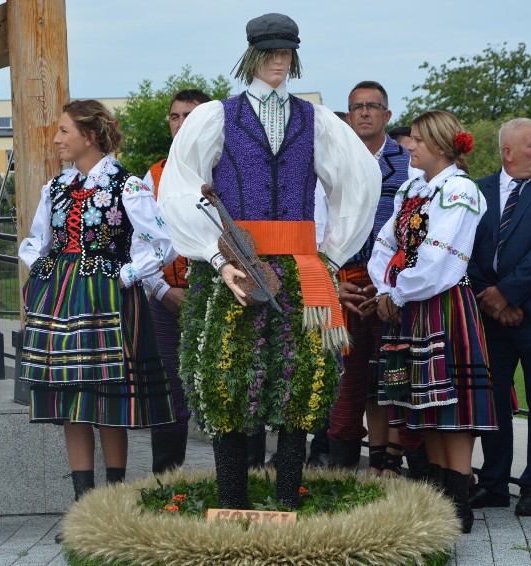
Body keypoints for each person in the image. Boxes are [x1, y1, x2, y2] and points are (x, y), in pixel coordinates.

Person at [158, 12, 380, 509]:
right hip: (237, 265)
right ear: (253, 55)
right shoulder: (216, 116)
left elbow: (359, 183)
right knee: (223, 377)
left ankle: (289, 498)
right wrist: (216, 258)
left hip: (303, 268)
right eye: (271, 52)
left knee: (301, 382)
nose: (280, 61)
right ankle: (232, 500)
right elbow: (178, 188)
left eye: (287, 52)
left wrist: (330, 254)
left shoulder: (317, 119)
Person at [18, 100, 176, 535]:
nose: (57, 139)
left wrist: (126, 274)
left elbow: (161, 243)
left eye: (65, 131)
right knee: (73, 400)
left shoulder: (127, 185)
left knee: (109, 400)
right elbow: (35, 241)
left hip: (108, 299)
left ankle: (114, 504)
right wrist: (43, 270)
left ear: (89, 136)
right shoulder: (56, 187)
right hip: (62, 298)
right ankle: (82, 507)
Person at [369, 110, 496, 533]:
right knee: (426, 404)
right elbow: (385, 242)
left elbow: (442, 258)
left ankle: (459, 500)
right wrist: (386, 289)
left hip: (442, 304)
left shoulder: (459, 191)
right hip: (410, 303)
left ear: (442, 146)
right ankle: (440, 494)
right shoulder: (412, 189)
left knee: (452, 403)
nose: (411, 145)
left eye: (419, 139)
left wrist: (399, 290)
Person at [466, 118, 531, 517]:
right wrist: (491, 300)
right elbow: (467, 248)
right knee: (491, 401)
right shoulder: (478, 190)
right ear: (508, 152)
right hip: (491, 317)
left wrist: (506, 294)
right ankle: (494, 483)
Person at [328, 80, 415, 476]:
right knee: (347, 382)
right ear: (348, 116)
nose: (363, 112)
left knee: (394, 377)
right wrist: (331, 280)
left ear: (387, 115)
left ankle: (393, 466)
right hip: (343, 278)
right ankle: (342, 473)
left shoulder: (410, 163)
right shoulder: (332, 161)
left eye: (372, 106)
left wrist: (389, 284)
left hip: (392, 284)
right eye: (356, 107)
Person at [142, 89, 212, 474]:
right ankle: (166, 480)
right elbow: (139, 242)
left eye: (191, 116)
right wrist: (162, 289)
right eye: (174, 116)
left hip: (221, 294)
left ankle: (241, 477)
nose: (181, 123)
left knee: (227, 382)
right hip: (165, 298)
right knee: (168, 389)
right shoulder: (151, 175)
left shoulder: (227, 172)